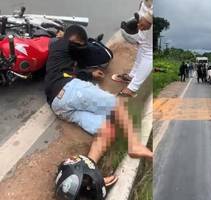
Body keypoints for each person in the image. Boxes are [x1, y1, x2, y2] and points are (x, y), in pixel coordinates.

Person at [44, 25, 153, 186]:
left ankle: (87, 175)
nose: (83, 45)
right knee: (116, 105)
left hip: (58, 106)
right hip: (67, 89)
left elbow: (68, 71)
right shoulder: (65, 44)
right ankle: (134, 145)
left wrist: (89, 74)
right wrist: (84, 44)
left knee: (109, 128)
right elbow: (102, 54)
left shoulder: (59, 51)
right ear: (75, 41)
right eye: (81, 43)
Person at [111, 0, 153, 97]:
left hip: (150, 13)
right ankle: (132, 76)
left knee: (148, 52)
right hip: (147, 8)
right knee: (143, 45)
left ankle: (132, 88)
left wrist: (149, 17)